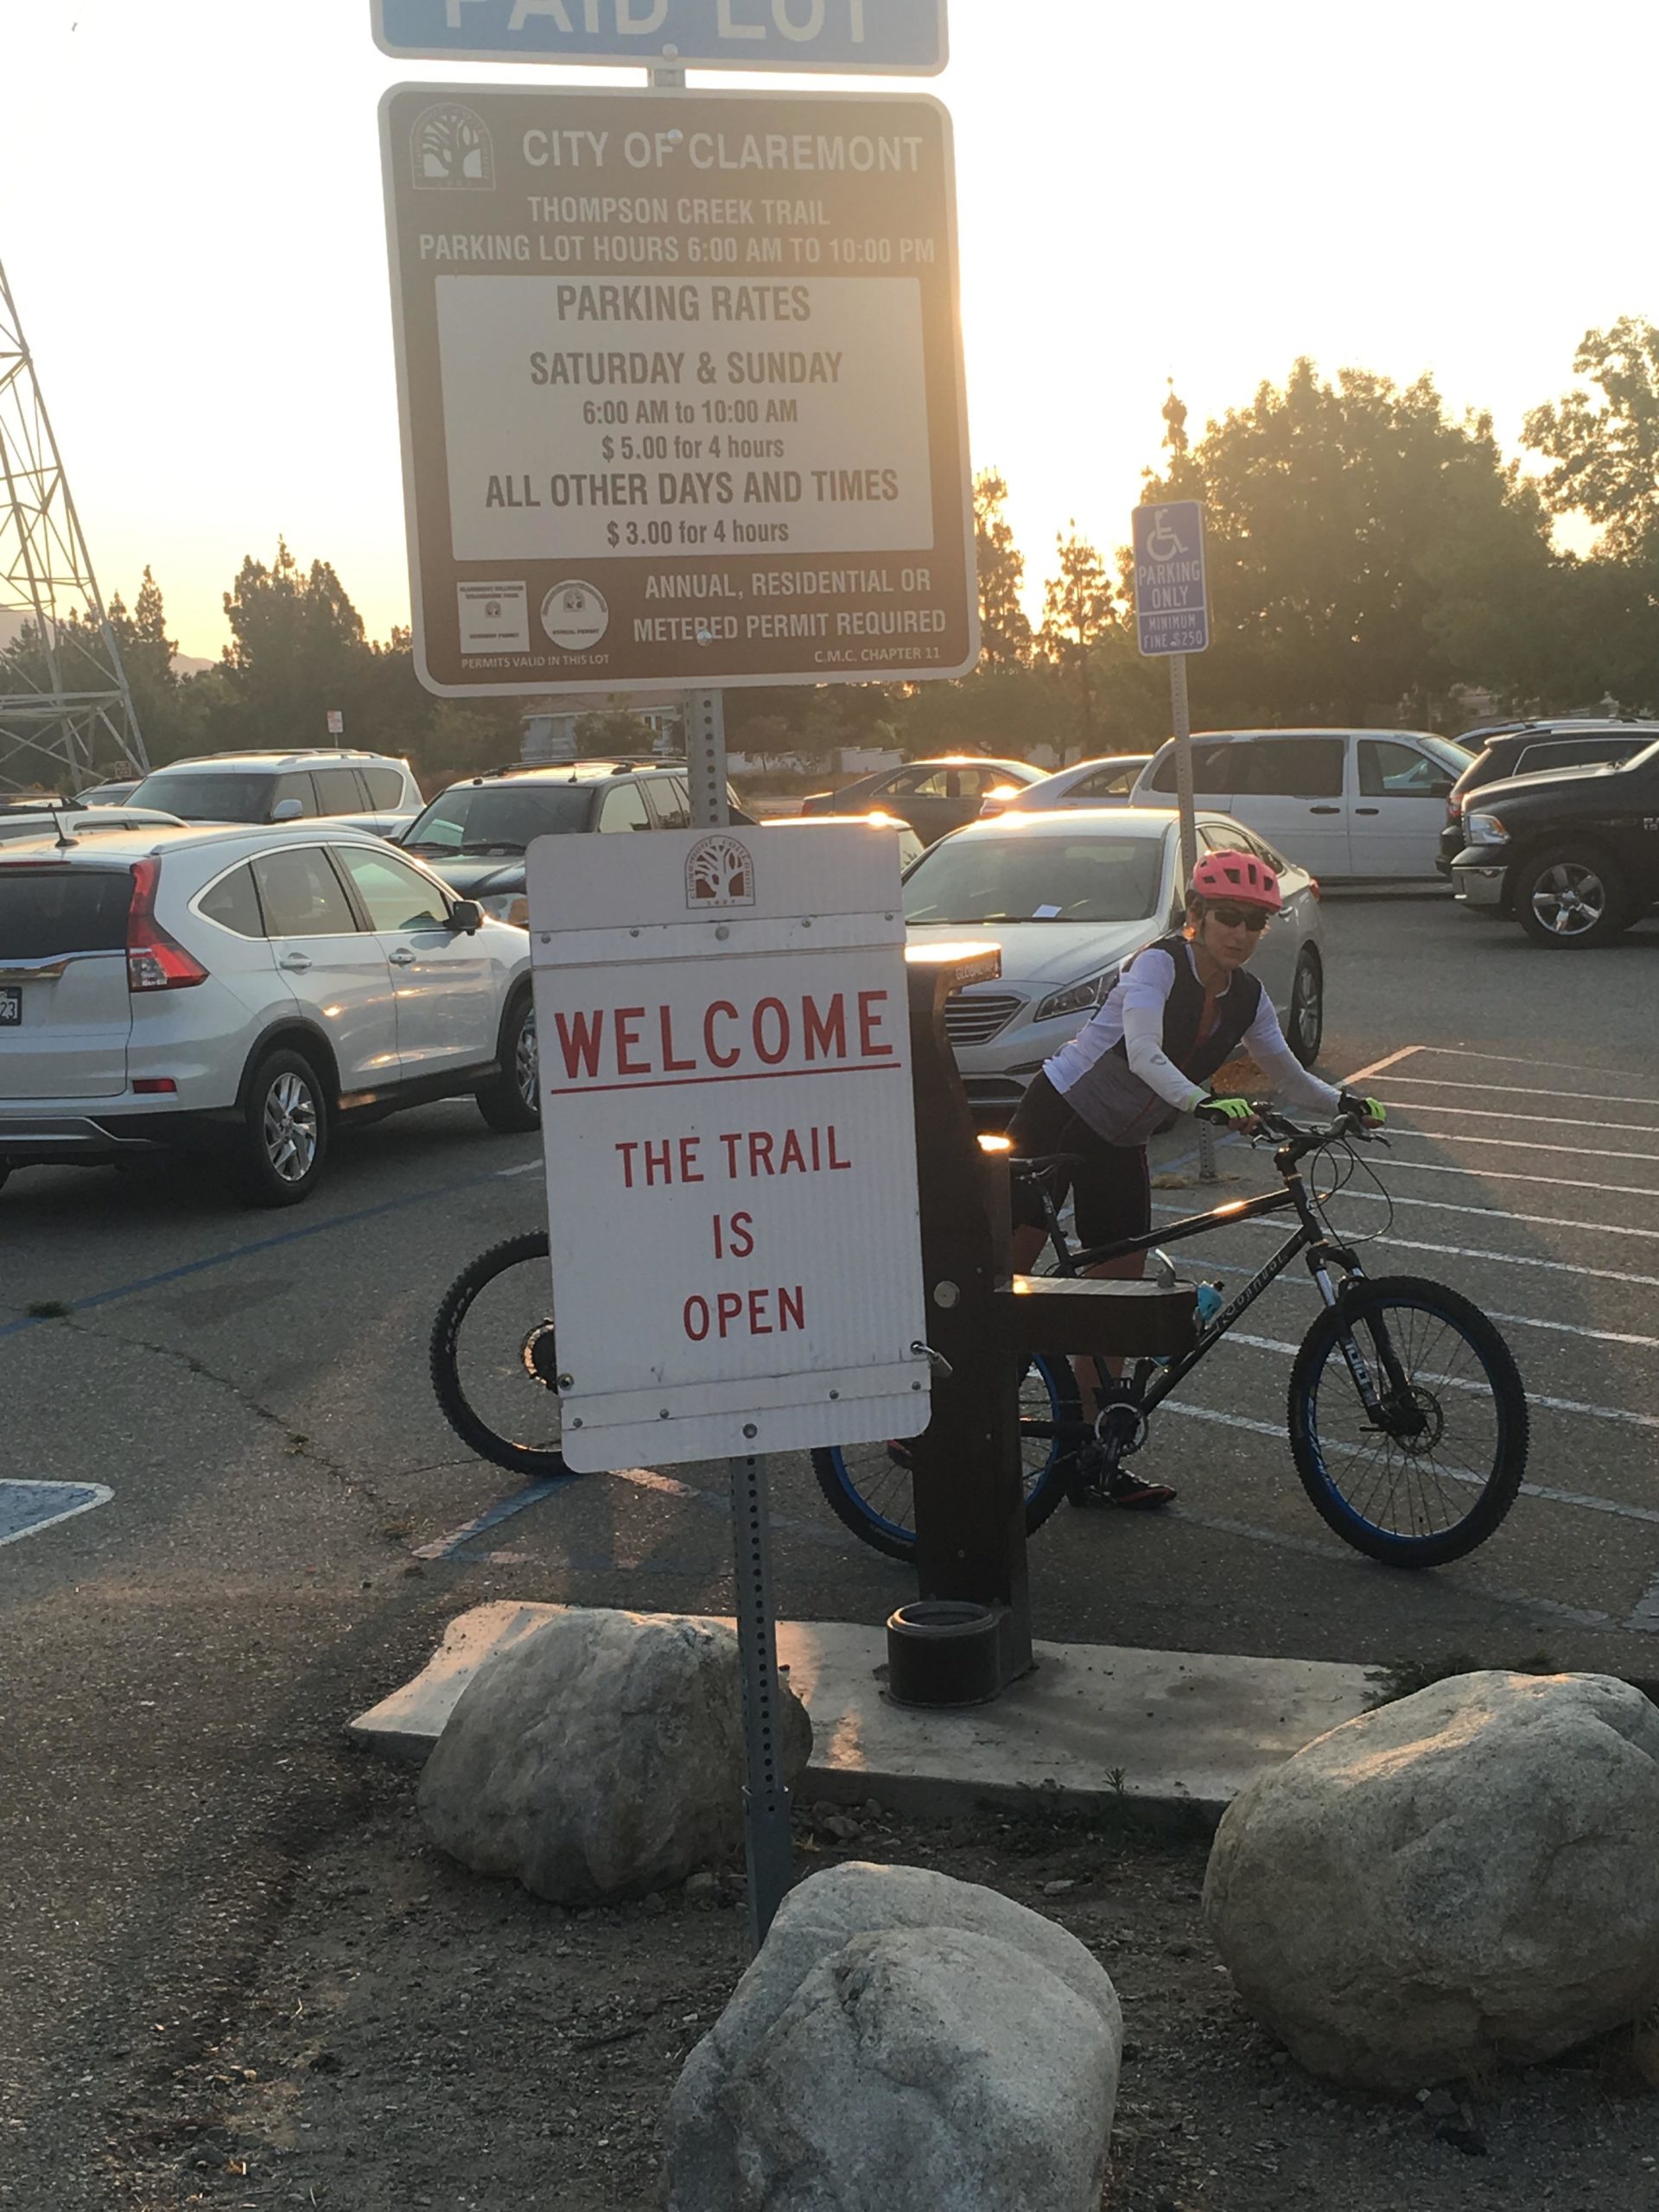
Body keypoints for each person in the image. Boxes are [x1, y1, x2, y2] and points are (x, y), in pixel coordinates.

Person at [1007, 847, 1385, 1509]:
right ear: (1198, 917)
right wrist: (1203, 1102)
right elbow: (1146, 1052)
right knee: (1002, 1279)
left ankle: (1093, 1460)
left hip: (1120, 1141)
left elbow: (1289, 1075)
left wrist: (1342, 1100)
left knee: (1115, 1307)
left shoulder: (1247, 997)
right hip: (1060, 1117)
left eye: (1255, 922)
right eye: (1228, 917)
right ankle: (946, 1416)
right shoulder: (1157, 965)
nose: (1240, 932)